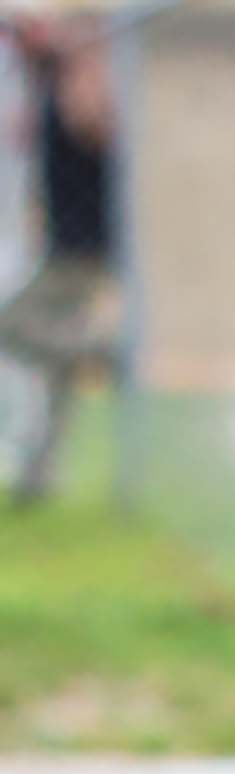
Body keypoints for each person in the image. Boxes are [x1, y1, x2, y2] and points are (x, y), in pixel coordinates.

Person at [0, 14, 117, 506]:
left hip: (81, 250)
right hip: (64, 244)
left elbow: (96, 127)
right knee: (56, 380)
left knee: (11, 327)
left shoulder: (85, 76)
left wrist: (74, 66)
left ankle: (110, 355)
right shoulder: (46, 80)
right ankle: (39, 478)